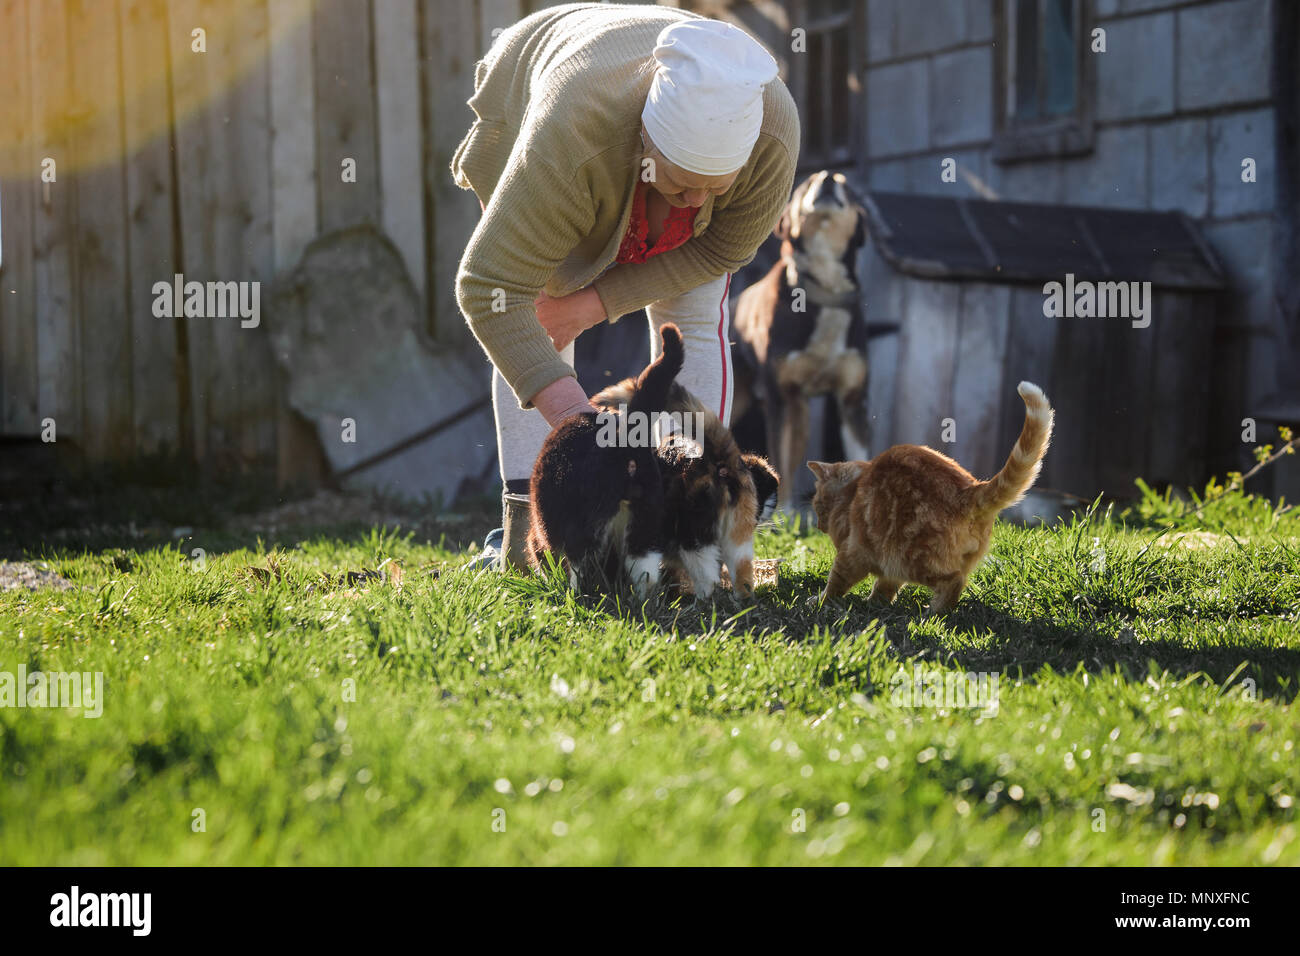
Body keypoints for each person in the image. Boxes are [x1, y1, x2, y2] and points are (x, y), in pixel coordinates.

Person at [451, 2, 799, 570]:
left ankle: (694, 527)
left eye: (716, 187)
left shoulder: (772, 140)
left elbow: (720, 248)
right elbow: (491, 288)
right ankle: (524, 536)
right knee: (539, 312)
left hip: (616, 120)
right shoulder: (569, 138)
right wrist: (585, 436)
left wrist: (595, 305)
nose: (694, 201)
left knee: (691, 316)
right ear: (647, 142)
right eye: (683, 182)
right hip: (541, 84)